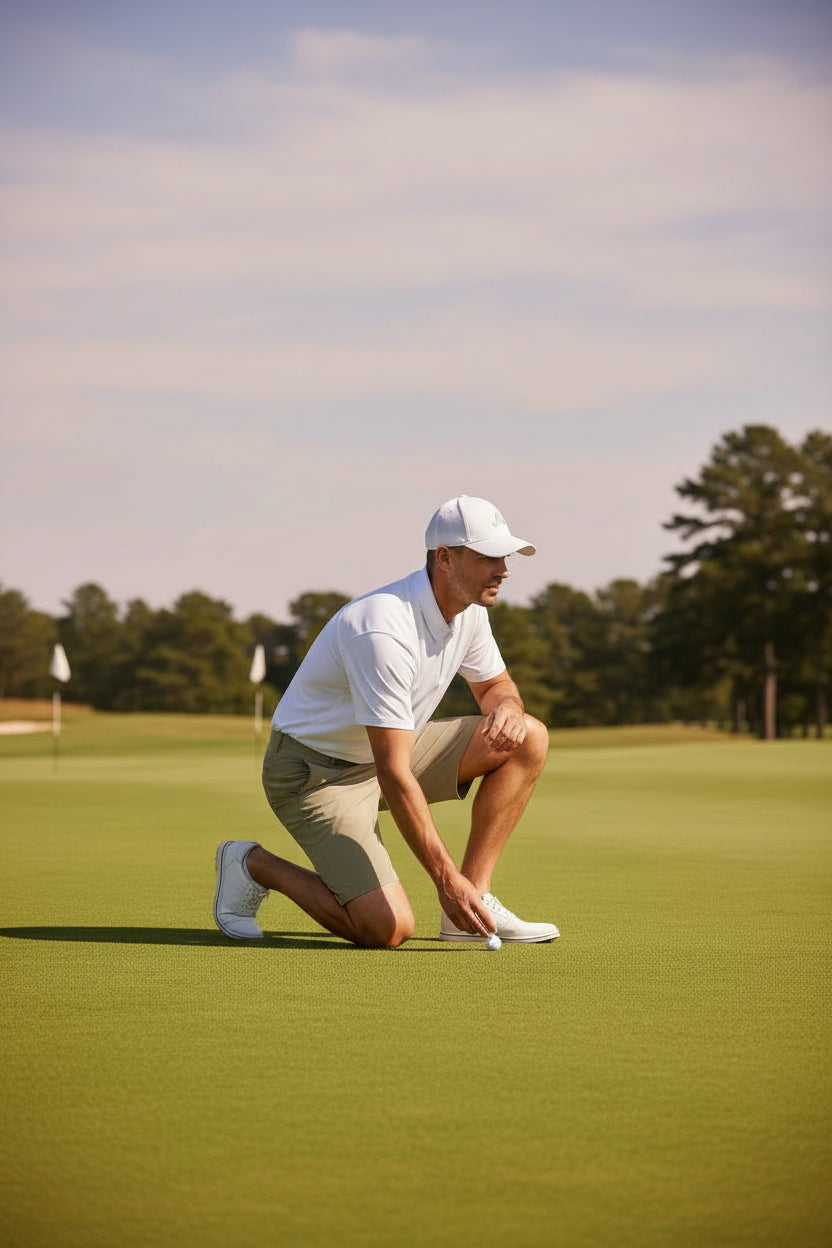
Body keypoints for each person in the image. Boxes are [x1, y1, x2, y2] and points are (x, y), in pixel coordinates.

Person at [214, 495, 559, 949]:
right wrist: (444, 879)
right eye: (489, 557)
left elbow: (496, 687)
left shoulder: (470, 612)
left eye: (505, 557)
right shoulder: (382, 629)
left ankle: (473, 906)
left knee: (527, 736)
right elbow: (394, 773)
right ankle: (253, 864)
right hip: (314, 776)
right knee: (388, 929)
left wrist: (509, 707)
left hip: (385, 756)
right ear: (445, 558)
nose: (504, 569)